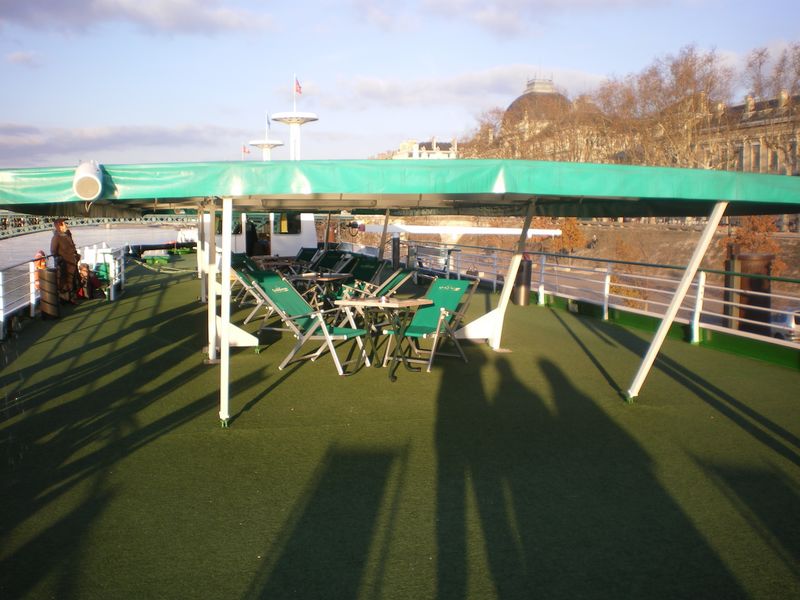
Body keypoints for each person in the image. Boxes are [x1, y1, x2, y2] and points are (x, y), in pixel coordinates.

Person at [50, 218, 80, 304]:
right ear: (59, 226)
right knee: (65, 282)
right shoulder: (56, 237)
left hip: (72, 262)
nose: (66, 225)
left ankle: (71, 298)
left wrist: (76, 256)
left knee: (73, 281)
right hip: (65, 264)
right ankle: (66, 299)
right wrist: (60, 260)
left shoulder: (67, 235)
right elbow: (53, 251)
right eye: (64, 223)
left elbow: (72, 247)